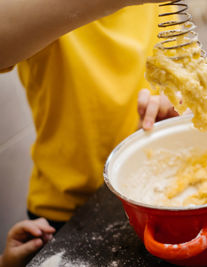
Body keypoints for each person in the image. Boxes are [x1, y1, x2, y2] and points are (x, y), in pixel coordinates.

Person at [0, 0, 178, 229]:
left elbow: (168, 82)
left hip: (149, 194)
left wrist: (168, 109)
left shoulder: (158, 7)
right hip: (65, 212)